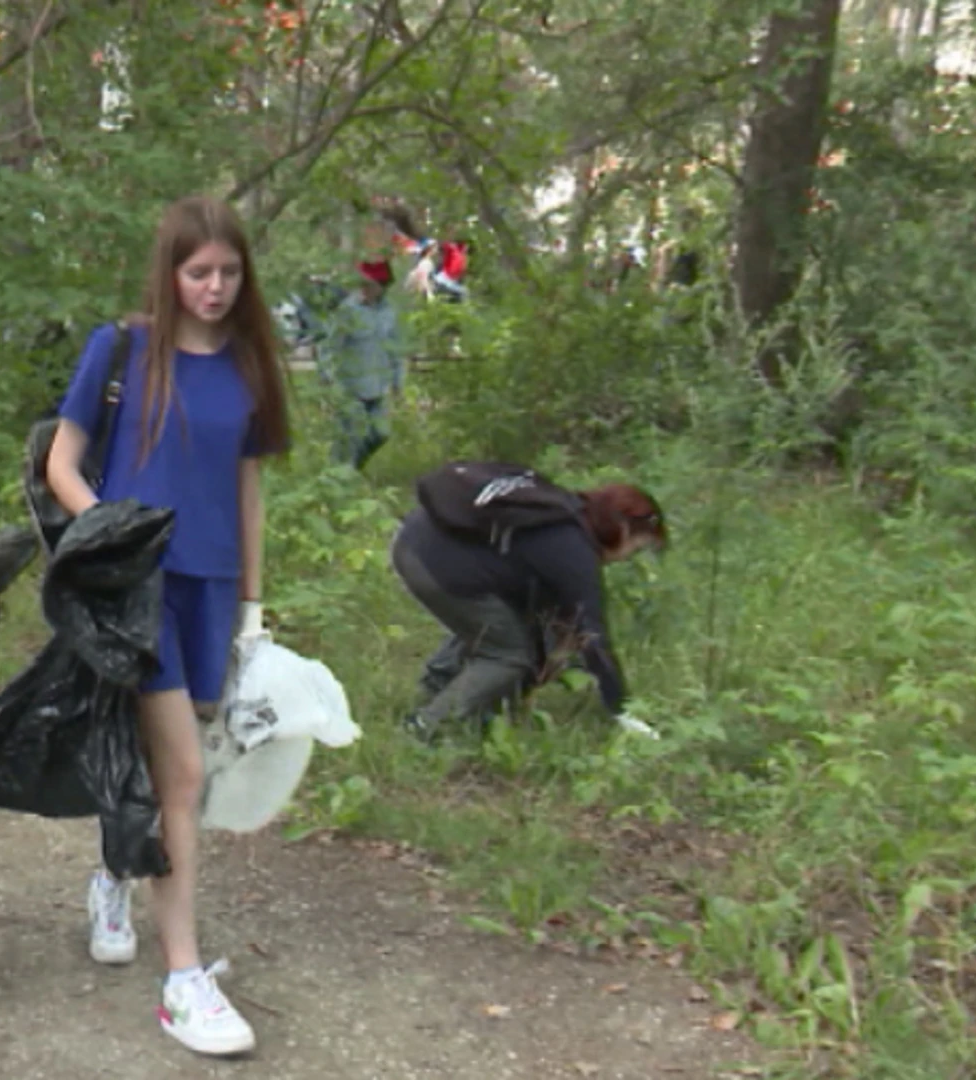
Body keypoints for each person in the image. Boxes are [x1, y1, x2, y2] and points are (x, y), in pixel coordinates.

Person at [43, 195, 290, 1058]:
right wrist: (113, 535)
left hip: (212, 589)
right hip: (138, 589)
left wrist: (254, 608)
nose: (215, 287)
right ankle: (183, 980)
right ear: (171, 273)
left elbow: (249, 489)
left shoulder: (253, 364)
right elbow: (62, 463)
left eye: (229, 272)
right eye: (199, 272)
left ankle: (116, 869)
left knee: (174, 765)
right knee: (181, 774)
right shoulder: (123, 350)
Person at [390, 477, 667, 742]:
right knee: (508, 656)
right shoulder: (573, 551)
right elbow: (593, 636)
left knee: (497, 621)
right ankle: (427, 725)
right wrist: (622, 710)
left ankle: (436, 689)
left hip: (413, 538)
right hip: (433, 565)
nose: (628, 557)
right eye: (637, 548)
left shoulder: (560, 512)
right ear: (624, 531)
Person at [304, 260, 405, 470]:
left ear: (382, 286)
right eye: (363, 284)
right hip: (350, 388)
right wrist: (328, 379)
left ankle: (354, 468)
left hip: (378, 387)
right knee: (349, 439)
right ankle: (340, 477)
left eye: (371, 285)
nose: (366, 289)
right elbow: (329, 347)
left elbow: (396, 349)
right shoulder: (347, 311)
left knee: (381, 433)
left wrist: (398, 383)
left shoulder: (389, 313)